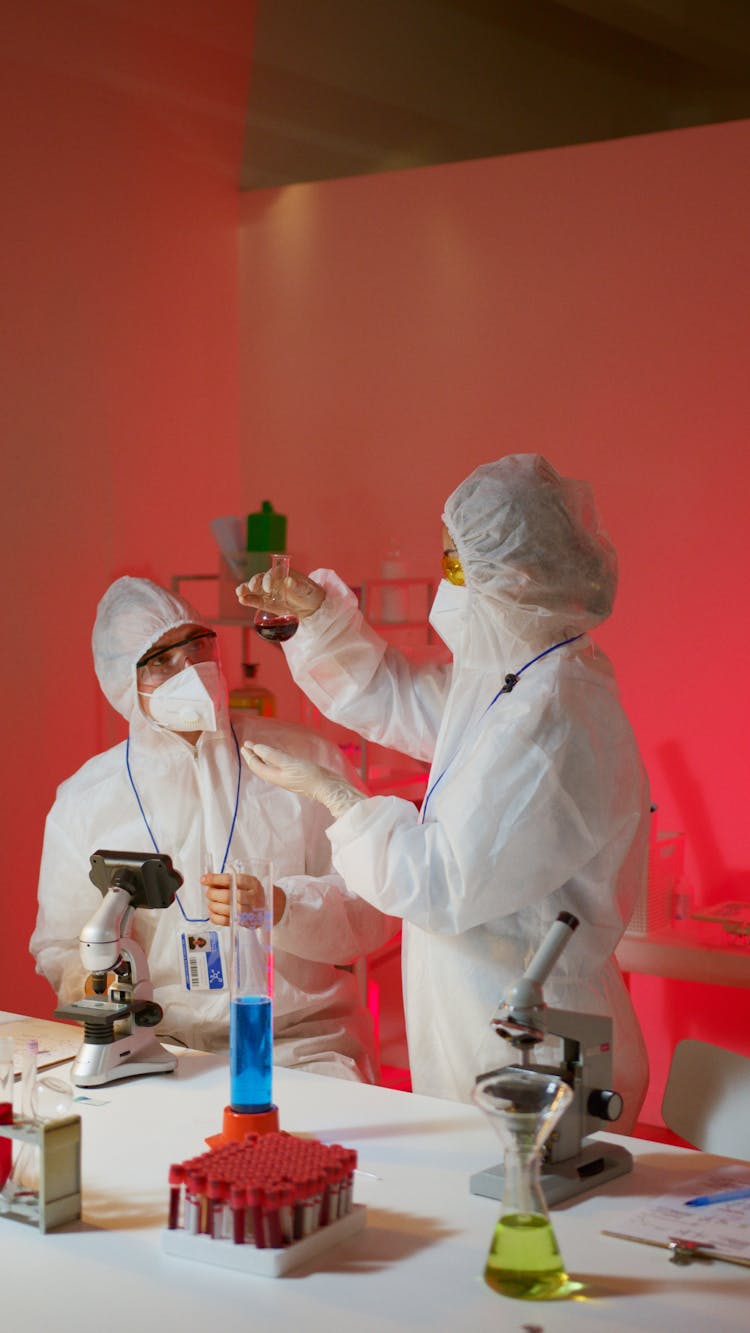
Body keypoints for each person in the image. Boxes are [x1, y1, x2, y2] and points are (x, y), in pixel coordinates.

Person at [236, 454, 650, 1128]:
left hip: (536, 1046)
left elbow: (439, 880)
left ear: (515, 574)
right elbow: (400, 696)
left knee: (534, 1221)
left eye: (456, 564)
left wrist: (339, 797)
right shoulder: (520, 677)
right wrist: (317, 616)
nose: (444, 582)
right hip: (481, 1027)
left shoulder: (554, 715)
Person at [30, 576, 397, 1081]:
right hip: (152, 1050)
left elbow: (375, 911)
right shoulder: (85, 800)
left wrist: (283, 906)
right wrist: (85, 979)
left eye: (198, 645)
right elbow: (61, 944)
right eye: (160, 660)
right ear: (122, 684)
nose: (192, 671)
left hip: (299, 1046)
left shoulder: (303, 759)